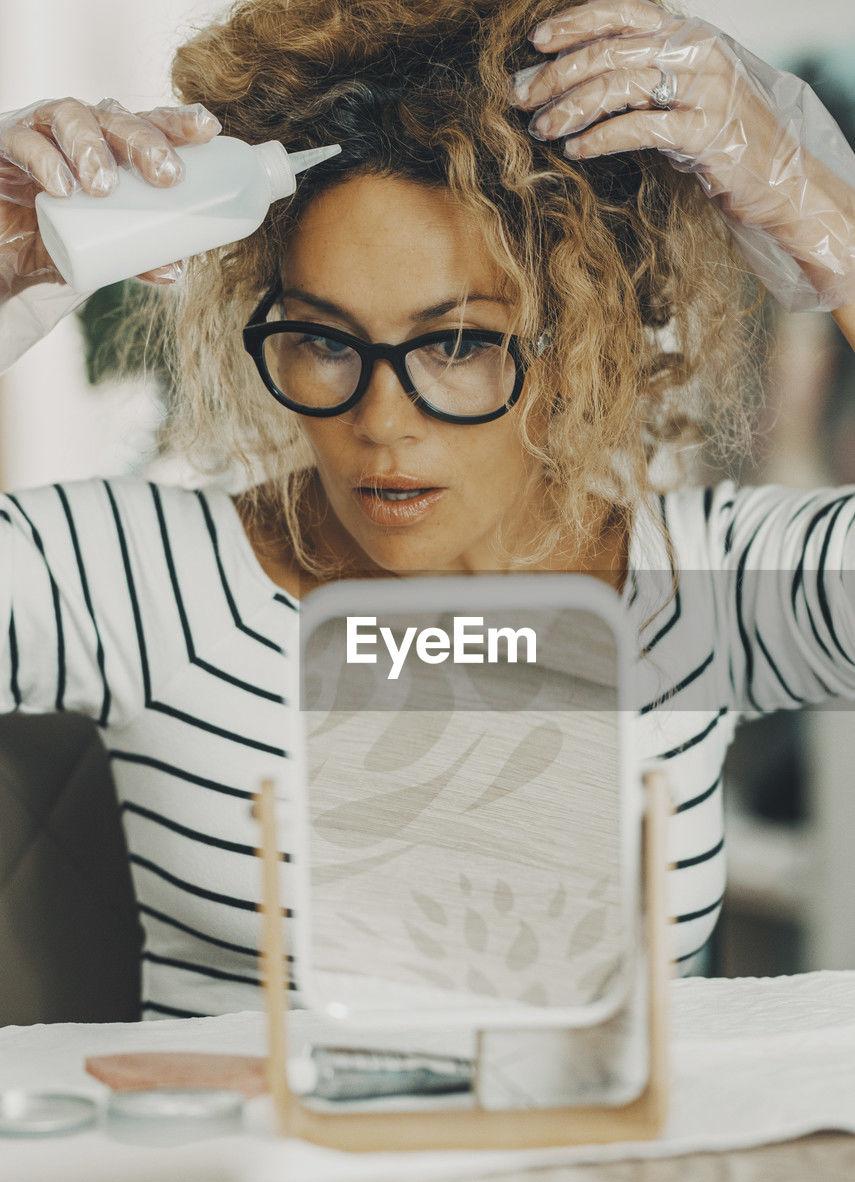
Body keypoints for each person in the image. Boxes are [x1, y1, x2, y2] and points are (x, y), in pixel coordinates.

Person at [0, 0, 854, 1018]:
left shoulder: (707, 588)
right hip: (244, 1175)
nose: (381, 421)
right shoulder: (131, 577)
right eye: (324, 338)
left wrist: (823, 216)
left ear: (582, 339)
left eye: (454, 344)